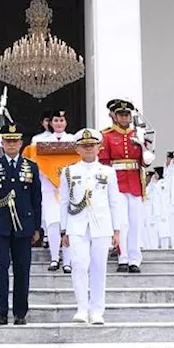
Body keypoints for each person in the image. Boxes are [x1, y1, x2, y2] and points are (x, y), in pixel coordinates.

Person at [61, 129, 123, 324]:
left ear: (99, 148)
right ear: (77, 148)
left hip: (102, 225)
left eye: (92, 145)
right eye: (84, 145)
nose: (88, 149)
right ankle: (82, 308)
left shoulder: (107, 171)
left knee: (99, 267)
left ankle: (97, 310)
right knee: (79, 265)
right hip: (77, 225)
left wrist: (117, 229)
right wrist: (64, 230)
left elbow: (115, 201)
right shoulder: (69, 171)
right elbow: (63, 202)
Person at [0, 123, 42, 325]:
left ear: (21, 143)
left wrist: (37, 227)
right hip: (0, 224)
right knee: (1, 267)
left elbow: (36, 199)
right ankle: (1, 311)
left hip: (24, 224)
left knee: (22, 268)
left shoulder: (31, 167)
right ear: (2, 142)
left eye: (14, 141)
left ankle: (20, 312)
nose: (11, 144)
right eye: (7, 141)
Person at [98, 99, 149, 272]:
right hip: (116, 182)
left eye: (127, 115)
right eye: (121, 115)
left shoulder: (138, 134)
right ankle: (123, 257)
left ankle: (135, 259)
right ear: (115, 116)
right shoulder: (107, 136)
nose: (125, 118)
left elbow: (145, 161)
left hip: (134, 181)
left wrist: (144, 146)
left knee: (135, 222)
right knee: (121, 223)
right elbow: (104, 161)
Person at [28, 109, 75, 271]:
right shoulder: (39, 142)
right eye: (55, 121)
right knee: (53, 223)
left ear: (66, 122)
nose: (59, 124)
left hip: (69, 187)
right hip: (48, 187)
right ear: (50, 123)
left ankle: (68, 260)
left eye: (61, 121)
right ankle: (55, 258)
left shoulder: (74, 140)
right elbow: (33, 161)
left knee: (68, 225)